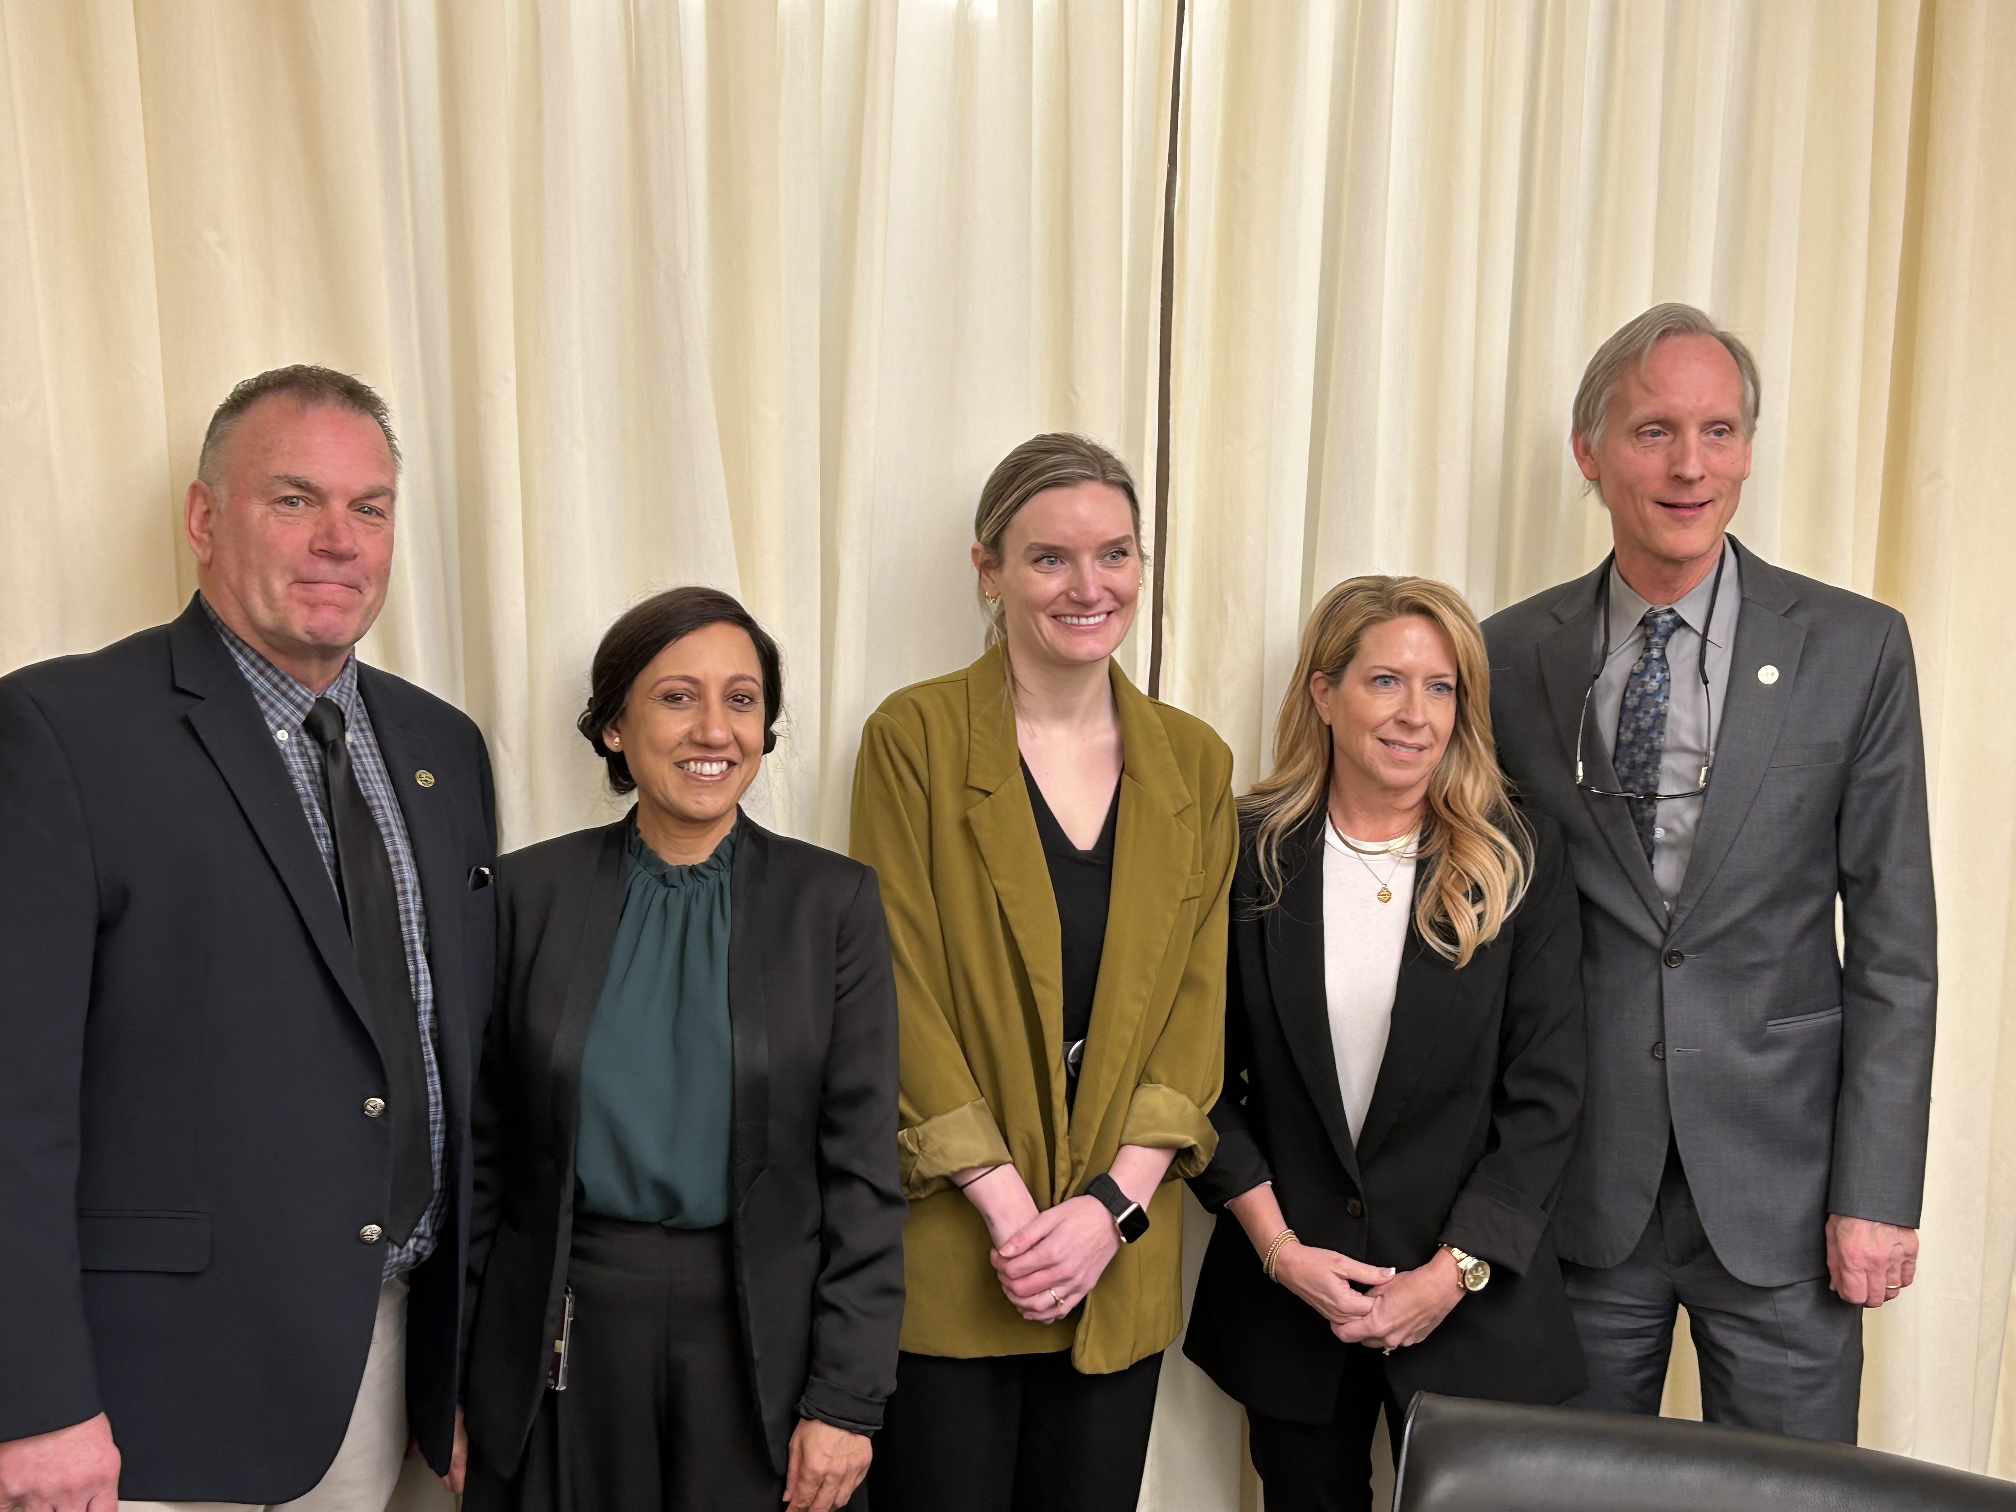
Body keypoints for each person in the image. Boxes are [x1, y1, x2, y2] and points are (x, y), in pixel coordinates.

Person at [0, 367, 497, 1510]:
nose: (338, 539)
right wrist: (32, 1400)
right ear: (203, 519)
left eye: (368, 508)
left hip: (373, 1371)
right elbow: (12, 1099)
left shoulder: (441, 746)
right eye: (293, 500)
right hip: (140, 1399)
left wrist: (449, 1368)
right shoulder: (62, 731)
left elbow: (449, 1059)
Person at [1483, 303, 1937, 1440]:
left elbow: (1895, 947)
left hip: (1786, 1203)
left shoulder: (1856, 647)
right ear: (1589, 455)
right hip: (1582, 1193)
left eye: (1720, 431)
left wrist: (1875, 1195)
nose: (1691, 466)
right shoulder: (1505, 654)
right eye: (1654, 432)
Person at [849, 433, 1235, 1512]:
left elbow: (1197, 1012)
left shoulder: (1195, 763)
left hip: (1120, 1257)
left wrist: (1107, 1210)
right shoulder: (913, 739)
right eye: (1049, 558)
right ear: (989, 569)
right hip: (962, 1245)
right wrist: (1018, 1216)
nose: (1088, 586)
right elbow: (895, 987)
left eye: (1114, 555)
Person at [460, 586, 904, 1512]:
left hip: (764, 1357)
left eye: (741, 700)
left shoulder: (833, 905)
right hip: (563, 1345)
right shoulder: (524, 895)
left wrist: (848, 1401)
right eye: (676, 697)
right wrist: (460, 1391)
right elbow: (482, 1164)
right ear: (615, 725)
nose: (715, 729)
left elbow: (863, 1175)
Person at [1185, 575, 1586, 1511]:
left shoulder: (1518, 853)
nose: (1415, 715)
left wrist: (1451, 1276)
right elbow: (1196, 1078)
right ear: (1323, 695)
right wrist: (1282, 1252)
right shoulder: (1244, 852)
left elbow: (1549, 1094)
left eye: (1441, 688)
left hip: (1471, 1310)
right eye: (1385, 683)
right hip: (1291, 1303)